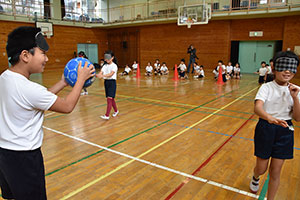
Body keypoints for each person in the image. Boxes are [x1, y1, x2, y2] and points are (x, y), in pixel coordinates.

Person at [0, 26, 94, 200]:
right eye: (42, 53)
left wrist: (63, 82)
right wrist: (80, 80)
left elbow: (37, 100)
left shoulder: (5, 78)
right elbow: (66, 106)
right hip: (25, 158)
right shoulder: (28, 88)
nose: (47, 58)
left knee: (12, 196)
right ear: (25, 55)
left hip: (5, 154)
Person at [250, 51, 300, 200]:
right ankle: (255, 176)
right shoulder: (266, 87)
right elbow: (258, 107)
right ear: (275, 68)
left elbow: (297, 117)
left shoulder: (296, 90)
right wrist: (269, 117)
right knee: (262, 167)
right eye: (283, 66)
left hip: (285, 130)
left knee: (276, 172)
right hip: (266, 128)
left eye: (291, 67)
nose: (287, 71)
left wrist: (295, 98)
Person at [96, 51, 119, 120]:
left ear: (112, 58)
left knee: (109, 99)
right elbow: (101, 71)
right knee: (111, 99)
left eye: (109, 58)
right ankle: (116, 111)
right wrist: (99, 74)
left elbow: (111, 74)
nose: (107, 59)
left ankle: (107, 115)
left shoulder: (114, 66)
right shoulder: (105, 66)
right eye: (106, 58)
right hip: (106, 82)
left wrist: (102, 75)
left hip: (112, 82)